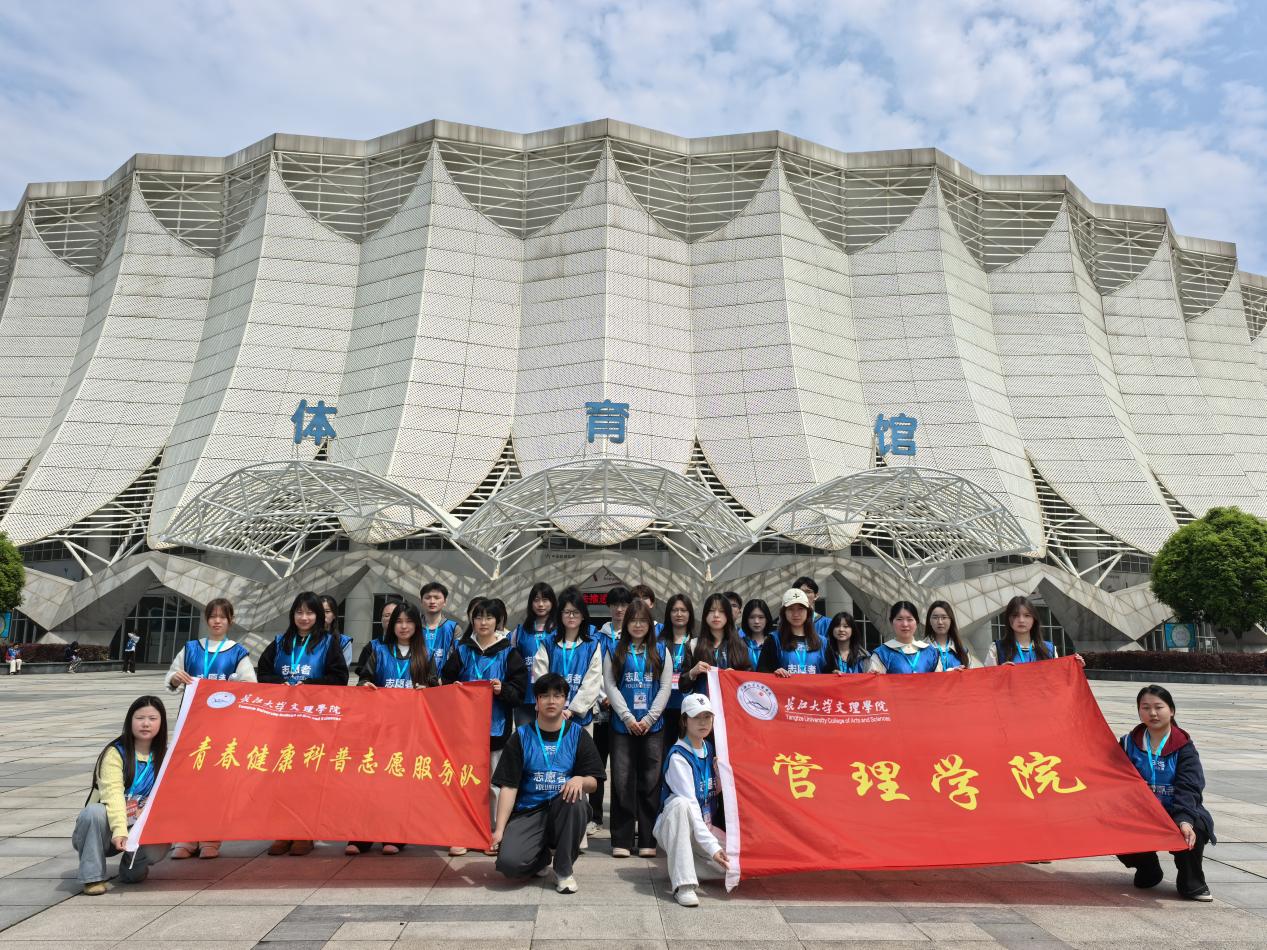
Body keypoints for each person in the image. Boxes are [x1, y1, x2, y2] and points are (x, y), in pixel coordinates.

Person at [492, 673, 604, 894]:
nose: (551, 701)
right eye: (544, 696)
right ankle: (540, 857)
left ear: (565, 700)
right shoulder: (521, 736)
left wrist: (580, 779)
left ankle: (564, 871)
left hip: (564, 808)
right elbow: (509, 786)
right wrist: (499, 829)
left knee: (577, 800)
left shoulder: (578, 735)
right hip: (529, 811)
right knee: (509, 864)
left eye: (557, 695)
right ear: (536, 702)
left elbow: (594, 782)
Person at [257, 591, 349, 856]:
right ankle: (281, 832)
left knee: (308, 778)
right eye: (299, 612)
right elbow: (262, 673)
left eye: (310, 612)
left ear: (318, 616)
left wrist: (308, 685)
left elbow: (339, 678)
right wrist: (281, 683)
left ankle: (304, 832)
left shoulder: (329, 643)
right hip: (282, 721)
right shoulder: (280, 642)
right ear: (292, 615)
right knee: (280, 776)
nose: (304, 617)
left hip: (314, 723)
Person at [165, 598, 256, 860]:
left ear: (230, 621)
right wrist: (175, 678)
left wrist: (236, 687)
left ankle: (210, 837)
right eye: (213, 616)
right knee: (188, 782)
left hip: (222, 729)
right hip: (191, 725)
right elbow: (171, 678)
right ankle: (186, 837)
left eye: (222, 617)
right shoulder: (191, 649)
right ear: (206, 620)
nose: (217, 621)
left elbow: (251, 686)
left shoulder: (237, 653)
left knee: (216, 783)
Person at [347, 601, 438, 857]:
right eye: (398, 621)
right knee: (369, 781)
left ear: (417, 626)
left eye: (409, 622)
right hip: (378, 728)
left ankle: (395, 834)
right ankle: (362, 836)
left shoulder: (425, 654)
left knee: (398, 782)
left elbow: (434, 688)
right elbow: (364, 679)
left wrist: (428, 691)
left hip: (409, 731)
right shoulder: (378, 650)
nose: (403, 626)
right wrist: (365, 686)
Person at [442, 597, 528, 856]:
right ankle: (462, 833)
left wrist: (503, 690)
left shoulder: (509, 653)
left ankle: (492, 834)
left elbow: (519, 692)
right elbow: (446, 680)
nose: (483, 622)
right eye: (478, 617)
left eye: (489, 617)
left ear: (498, 621)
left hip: (496, 730)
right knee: (464, 782)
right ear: (472, 619)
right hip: (464, 731)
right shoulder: (462, 651)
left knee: (494, 785)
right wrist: (454, 688)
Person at [1116, 685, 1215, 902]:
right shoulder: (1128, 744)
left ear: (1171, 710)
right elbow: (1111, 778)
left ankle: (1191, 881)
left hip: (1176, 810)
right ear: (1139, 711)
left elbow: (1189, 787)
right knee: (1111, 826)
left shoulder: (1183, 747)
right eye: (1146, 708)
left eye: (1158, 707)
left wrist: (1184, 820)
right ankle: (1147, 867)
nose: (1152, 713)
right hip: (1140, 812)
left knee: (1195, 829)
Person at [72, 695, 170, 895]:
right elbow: (113, 795)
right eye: (139, 718)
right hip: (107, 828)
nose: (145, 724)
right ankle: (92, 877)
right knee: (93, 812)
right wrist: (119, 831)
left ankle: (131, 869)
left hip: (140, 825)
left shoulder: (166, 755)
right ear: (129, 721)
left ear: (161, 723)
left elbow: (171, 796)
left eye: (152, 718)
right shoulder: (115, 753)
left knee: (136, 875)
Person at [604, 600, 674, 858]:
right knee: (622, 782)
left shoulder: (661, 650)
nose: (637, 625)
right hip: (622, 727)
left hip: (652, 727)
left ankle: (647, 839)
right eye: (633, 620)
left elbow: (665, 687)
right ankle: (621, 840)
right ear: (626, 624)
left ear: (650, 624)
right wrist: (627, 717)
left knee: (651, 782)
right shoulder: (614, 650)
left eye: (643, 621)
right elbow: (610, 685)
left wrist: (650, 718)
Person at [654, 693, 728, 907]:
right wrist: (712, 848)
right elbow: (693, 808)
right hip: (676, 825)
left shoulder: (709, 749)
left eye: (707, 716)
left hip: (704, 827)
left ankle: (685, 864)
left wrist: (720, 773)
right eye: (696, 717)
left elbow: (711, 792)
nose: (703, 722)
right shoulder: (678, 757)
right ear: (684, 721)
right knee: (681, 804)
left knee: (738, 866)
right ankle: (684, 884)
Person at [590, 585, 632, 835]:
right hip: (602, 712)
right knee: (597, 765)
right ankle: (594, 816)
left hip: (627, 713)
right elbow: (593, 670)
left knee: (622, 769)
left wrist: (620, 701)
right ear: (608, 607)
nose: (619, 609)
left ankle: (622, 819)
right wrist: (603, 697)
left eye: (624, 605)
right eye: (615, 604)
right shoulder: (599, 637)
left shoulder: (635, 636)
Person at [532, 588, 603, 728]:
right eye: (566, 612)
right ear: (560, 615)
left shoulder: (592, 646)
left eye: (576, 612)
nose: (571, 616)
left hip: (581, 719)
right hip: (550, 715)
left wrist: (571, 710)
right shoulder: (548, 643)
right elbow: (540, 677)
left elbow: (592, 683)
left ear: (583, 615)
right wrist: (555, 707)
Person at [678, 594, 752, 695]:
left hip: (729, 702)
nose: (716, 615)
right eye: (711, 610)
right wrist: (692, 673)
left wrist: (736, 675)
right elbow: (682, 687)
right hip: (703, 703)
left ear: (728, 615)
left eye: (721, 611)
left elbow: (750, 682)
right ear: (705, 615)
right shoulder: (693, 645)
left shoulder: (739, 645)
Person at [983, 595, 1085, 667]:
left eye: (1027, 615)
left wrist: (1075, 667)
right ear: (1008, 619)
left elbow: (1058, 680)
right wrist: (999, 672)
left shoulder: (1049, 649)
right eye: (1015, 615)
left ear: (1034, 619)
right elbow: (985, 683)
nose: (1021, 620)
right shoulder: (997, 649)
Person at [512, 582, 557, 728]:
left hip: (551, 696)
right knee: (525, 736)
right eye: (536, 600)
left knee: (549, 737)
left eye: (545, 600)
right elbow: (512, 662)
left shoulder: (559, 631)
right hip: (525, 696)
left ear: (552, 602)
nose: (541, 604)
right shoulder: (519, 631)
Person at [659, 594, 694, 757]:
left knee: (686, 752)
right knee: (664, 753)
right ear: (668, 613)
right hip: (663, 708)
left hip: (688, 708)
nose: (679, 614)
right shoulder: (658, 643)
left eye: (683, 610)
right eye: (674, 610)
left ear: (690, 613)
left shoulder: (697, 642)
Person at [869, 602, 942, 674]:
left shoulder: (931, 653)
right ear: (891, 622)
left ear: (917, 622)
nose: (905, 624)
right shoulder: (882, 654)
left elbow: (940, 679)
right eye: (899, 619)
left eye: (909, 619)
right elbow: (874, 680)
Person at [773, 589, 830, 676]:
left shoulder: (823, 642)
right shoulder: (774, 640)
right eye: (790, 609)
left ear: (808, 612)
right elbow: (762, 673)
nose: (796, 614)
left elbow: (831, 673)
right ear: (784, 613)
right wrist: (774, 672)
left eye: (800, 609)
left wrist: (836, 673)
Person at [420, 581, 459, 671]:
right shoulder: (414, 626)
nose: (432, 601)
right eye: (428, 598)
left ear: (445, 602)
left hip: (444, 678)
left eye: (437, 598)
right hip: (416, 677)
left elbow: (459, 657)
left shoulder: (454, 628)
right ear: (421, 601)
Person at [926, 600, 972, 670]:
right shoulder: (921, 650)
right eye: (935, 617)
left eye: (944, 617)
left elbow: (972, 675)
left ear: (951, 620)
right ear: (929, 621)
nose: (940, 622)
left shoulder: (963, 651)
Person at [738, 599, 779, 673]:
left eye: (761, 617)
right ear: (746, 619)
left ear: (767, 619)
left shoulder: (776, 643)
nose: (756, 621)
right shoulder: (739, 644)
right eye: (752, 617)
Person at [319, 594, 354, 669]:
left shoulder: (344, 641)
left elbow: (342, 670)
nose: (323, 615)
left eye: (327, 611)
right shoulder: (305, 638)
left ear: (334, 615)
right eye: (319, 611)